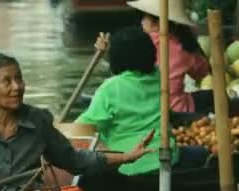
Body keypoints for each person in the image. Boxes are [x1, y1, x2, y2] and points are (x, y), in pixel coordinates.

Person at [0, 53, 154, 191]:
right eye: (7, 81)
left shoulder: (39, 121)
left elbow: (73, 160)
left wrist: (126, 157)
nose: (17, 87)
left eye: (19, 78)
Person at [78, 26, 209, 175]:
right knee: (201, 153)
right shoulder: (159, 77)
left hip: (125, 166)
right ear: (151, 54)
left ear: (115, 59)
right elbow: (131, 73)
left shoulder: (109, 89)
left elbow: (82, 128)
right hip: (165, 158)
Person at [95, 0, 238, 116]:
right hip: (177, 111)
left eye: (144, 17)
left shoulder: (140, 43)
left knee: (209, 96)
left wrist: (108, 50)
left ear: (157, 23)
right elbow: (201, 72)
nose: (142, 22)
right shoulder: (182, 45)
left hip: (152, 108)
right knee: (221, 98)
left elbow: (120, 65)